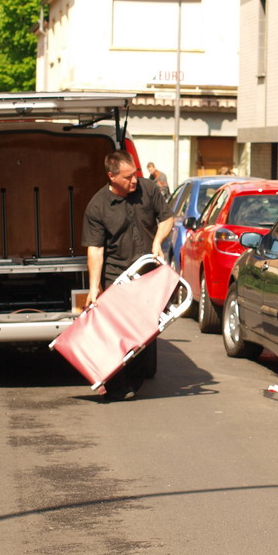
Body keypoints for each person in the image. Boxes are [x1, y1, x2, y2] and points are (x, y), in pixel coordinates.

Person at [83, 150, 173, 400]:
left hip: (147, 274)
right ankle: (115, 385)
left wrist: (157, 242)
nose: (134, 181)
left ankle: (133, 381)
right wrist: (93, 288)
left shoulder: (149, 189)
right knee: (116, 333)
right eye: (127, 177)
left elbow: (167, 219)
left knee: (143, 332)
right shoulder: (98, 206)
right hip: (117, 276)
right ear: (112, 177)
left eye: (135, 174)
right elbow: (96, 248)